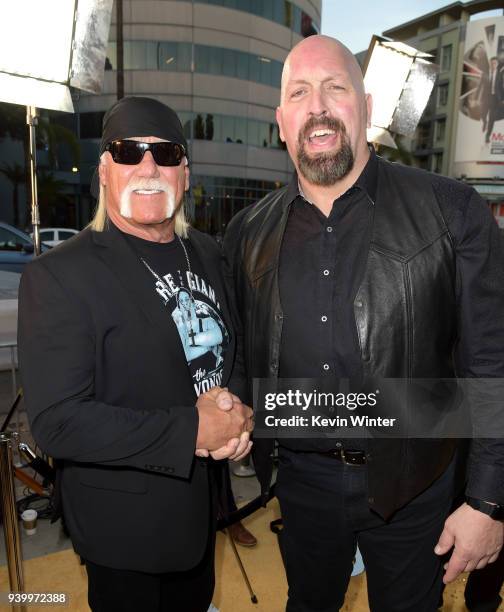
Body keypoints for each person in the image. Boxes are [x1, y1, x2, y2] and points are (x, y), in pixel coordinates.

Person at [223, 35, 504, 611]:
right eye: (300, 92)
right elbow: (244, 359)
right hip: (301, 486)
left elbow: (492, 365)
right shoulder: (247, 233)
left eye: (335, 88)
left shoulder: (451, 211)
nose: (318, 106)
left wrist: (487, 502)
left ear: (366, 107)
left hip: (417, 485)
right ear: (281, 121)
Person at [18, 96, 253, 612]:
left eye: (165, 154)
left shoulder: (209, 253)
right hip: (125, 533)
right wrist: (191, 430)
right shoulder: (60, 274)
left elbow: (230, 350)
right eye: (129, 152)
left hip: (200, 514)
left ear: (185, 174)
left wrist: (235, 414)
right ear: (105, 170)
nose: (148, 167)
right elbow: (58, 422)